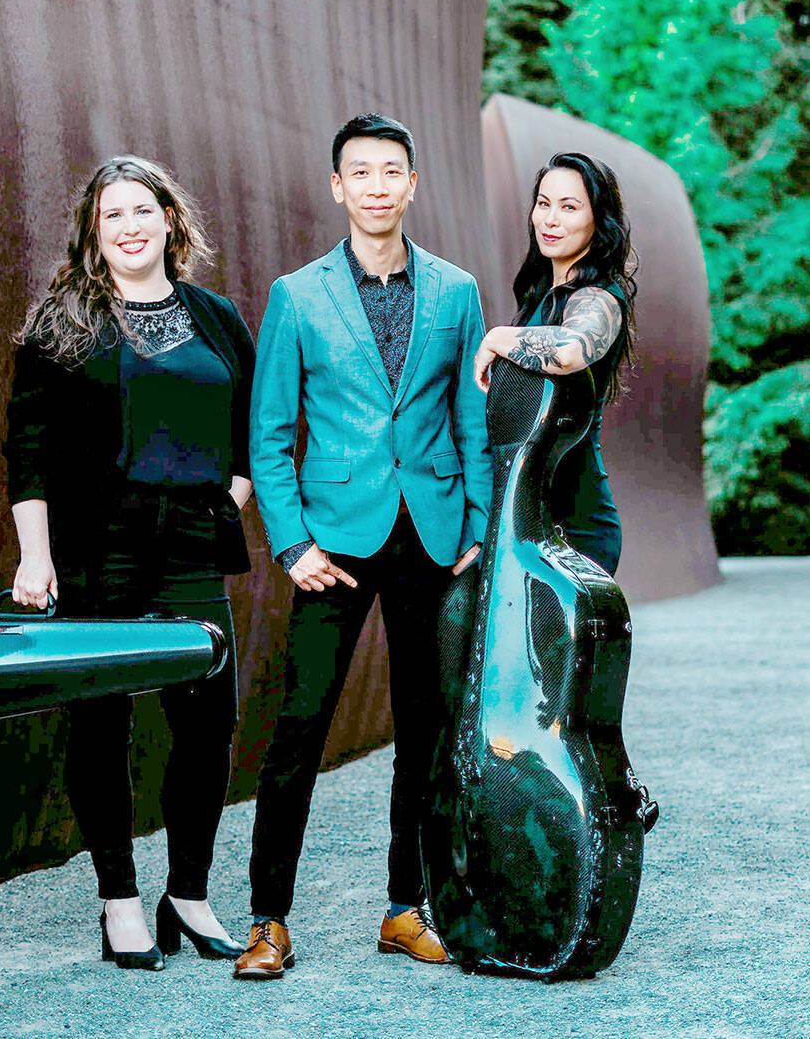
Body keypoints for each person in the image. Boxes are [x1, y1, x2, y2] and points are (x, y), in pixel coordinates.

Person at [233, 113, 492, 979]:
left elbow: (471, 419)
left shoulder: (457, 292)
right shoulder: (296, 295)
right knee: (299, 725)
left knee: (425, 729)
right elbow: (270, 433)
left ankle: (406, 908)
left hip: (432, 534)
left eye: (392, 171)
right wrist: (290, 543)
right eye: (361, 172)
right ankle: (269, 919)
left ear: (412, 184)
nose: (377, 186)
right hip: (332, 541)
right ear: (337, 186)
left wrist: (478, 527)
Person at [4, 156, 255, 971]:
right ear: (94, 231)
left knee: (208, 723)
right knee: (101, 720)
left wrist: (227, 504)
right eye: (112, 214)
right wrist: (34, 555)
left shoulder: (217, 318)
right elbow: (27, 450)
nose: (130, 226)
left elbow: (251, 431)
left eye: (142, 209)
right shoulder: (63, 324)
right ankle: (119, 901)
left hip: (190, 545)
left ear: (170, 219)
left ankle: (189, 893)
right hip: (97, 546)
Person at [473, 150, 636, 575]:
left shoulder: (600, 297)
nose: (550, 219)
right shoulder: (540, 297)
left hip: (575, 529)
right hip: (524, 520)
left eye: (569, 207)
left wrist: (497, 337)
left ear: (598, 220)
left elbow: (568, 350)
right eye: (543, 203)